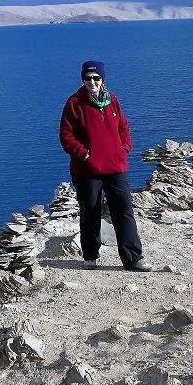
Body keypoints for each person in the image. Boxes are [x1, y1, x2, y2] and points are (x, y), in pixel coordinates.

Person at [58, 60, 152, 272]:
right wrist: (84, 155)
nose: (92, 82)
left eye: (96, 78)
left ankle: (133, 258)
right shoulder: (74, 102)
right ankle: (90, 255)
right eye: (88, 78)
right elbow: (66, 135)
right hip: (86, 171)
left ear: (102, 79)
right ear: (82, 79)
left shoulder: (112, 100)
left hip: (115, 167)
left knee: (124, 211)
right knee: (90, 212)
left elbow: (123, 126)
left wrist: (124, 147)